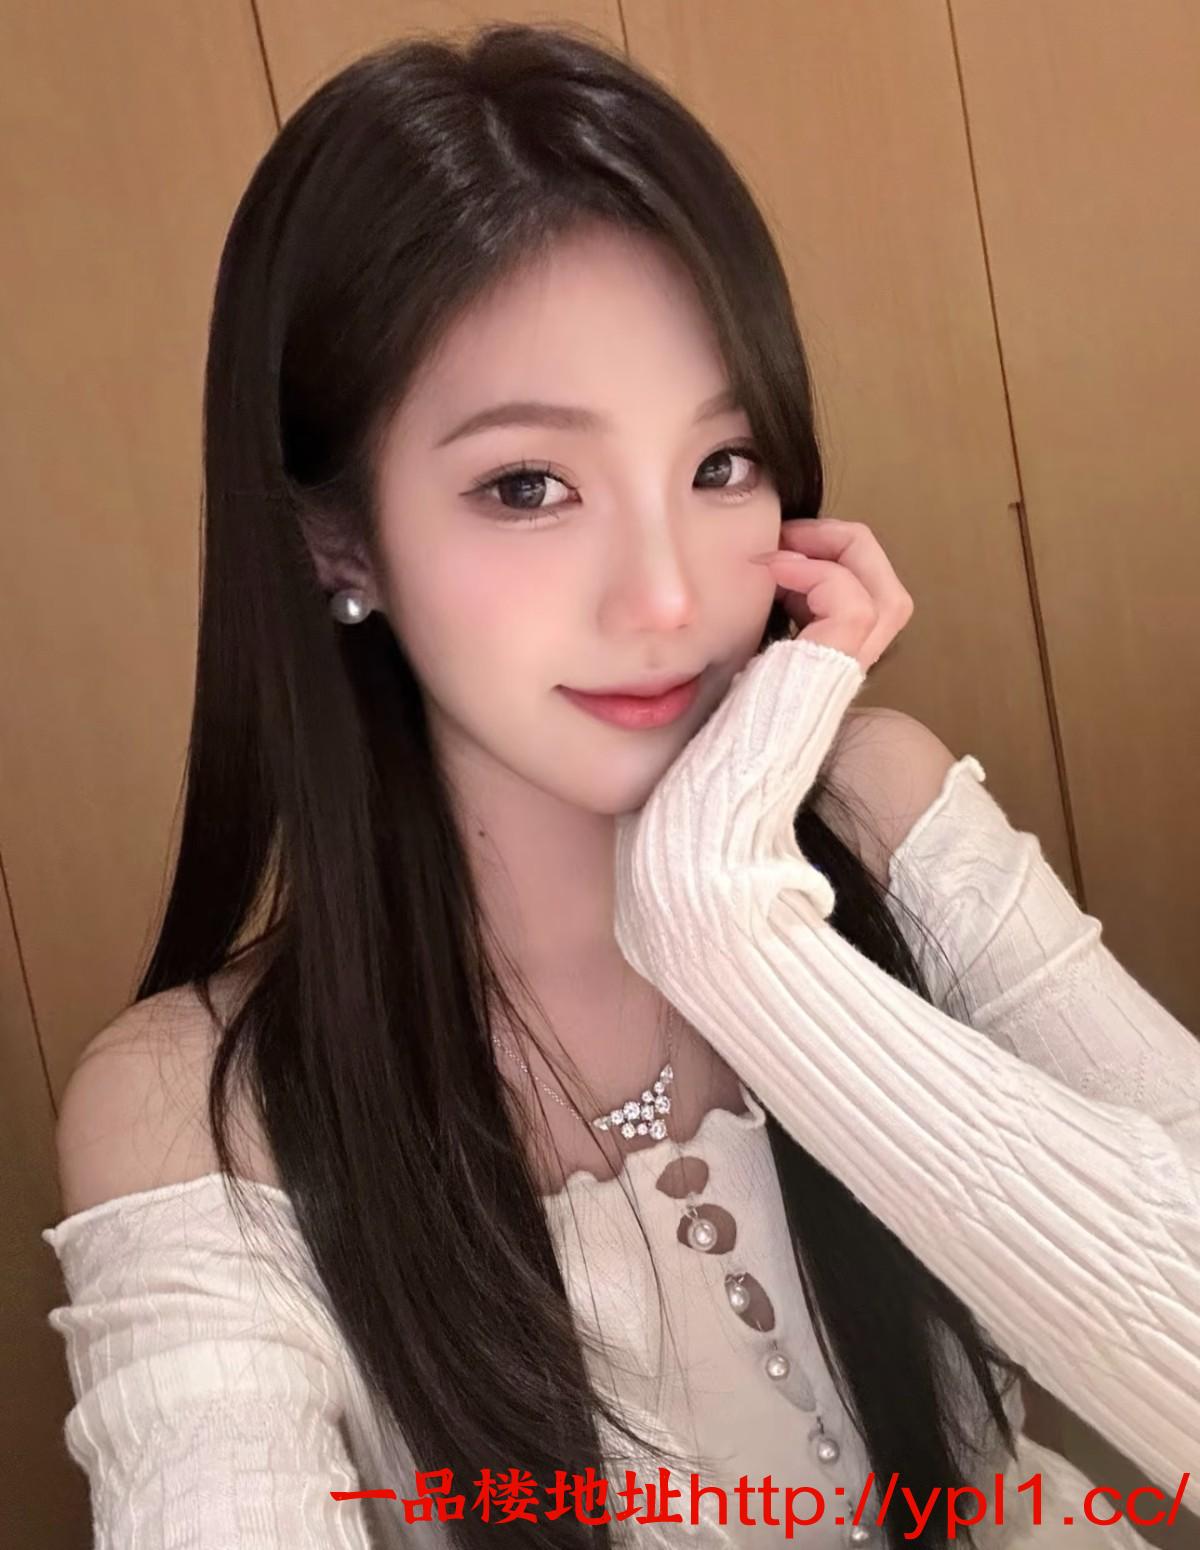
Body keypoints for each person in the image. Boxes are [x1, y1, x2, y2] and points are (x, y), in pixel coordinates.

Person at [41, 21, 1199, 1550]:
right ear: (339, 538)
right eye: (528, 485)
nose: (667, 597)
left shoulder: (881, 814)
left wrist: (738, 930)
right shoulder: (197, 1106)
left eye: (721, 465)